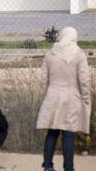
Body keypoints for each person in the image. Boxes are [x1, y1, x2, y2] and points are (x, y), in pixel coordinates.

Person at [37, 27, 91, 171]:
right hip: (71, 97)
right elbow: (84, 80)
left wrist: (45, 97)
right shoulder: (79, 54)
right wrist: (86, 98)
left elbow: (43, 80)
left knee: (52, 132)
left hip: (52, 95)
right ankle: (69, 167)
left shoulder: (50, 54)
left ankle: (47, 166)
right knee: (68, 133)